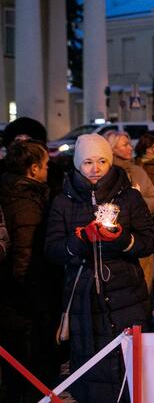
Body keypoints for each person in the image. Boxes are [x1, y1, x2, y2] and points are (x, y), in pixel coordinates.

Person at [45, 134, 154, 402]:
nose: (95, 168)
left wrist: (123, 240)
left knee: (130, 364)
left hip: (126, 292)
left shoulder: (128, 197)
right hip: (84, 296)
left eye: (102, 161)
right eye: (88, 162)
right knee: (92, 365)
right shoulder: (64, 200)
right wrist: (79, 241)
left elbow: (149, 240)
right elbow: (53, 249)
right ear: (76, 164)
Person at [0, 140, 63, 401]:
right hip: (26, 295)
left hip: (12, 293)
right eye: (46, 165)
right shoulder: (25, 199)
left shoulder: (9, 188)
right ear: (34, 168)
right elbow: (25, 253)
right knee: (30, 359)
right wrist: (33, 297)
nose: (49, 169)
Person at [105, 131, 154, 304]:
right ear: (112, 149)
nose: (130, 148)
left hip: (141, 242)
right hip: (115, 244)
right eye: (125, 145)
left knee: (144, 293)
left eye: (129, 144)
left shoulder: (138, 172)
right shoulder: (105, 174)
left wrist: (137, 202)